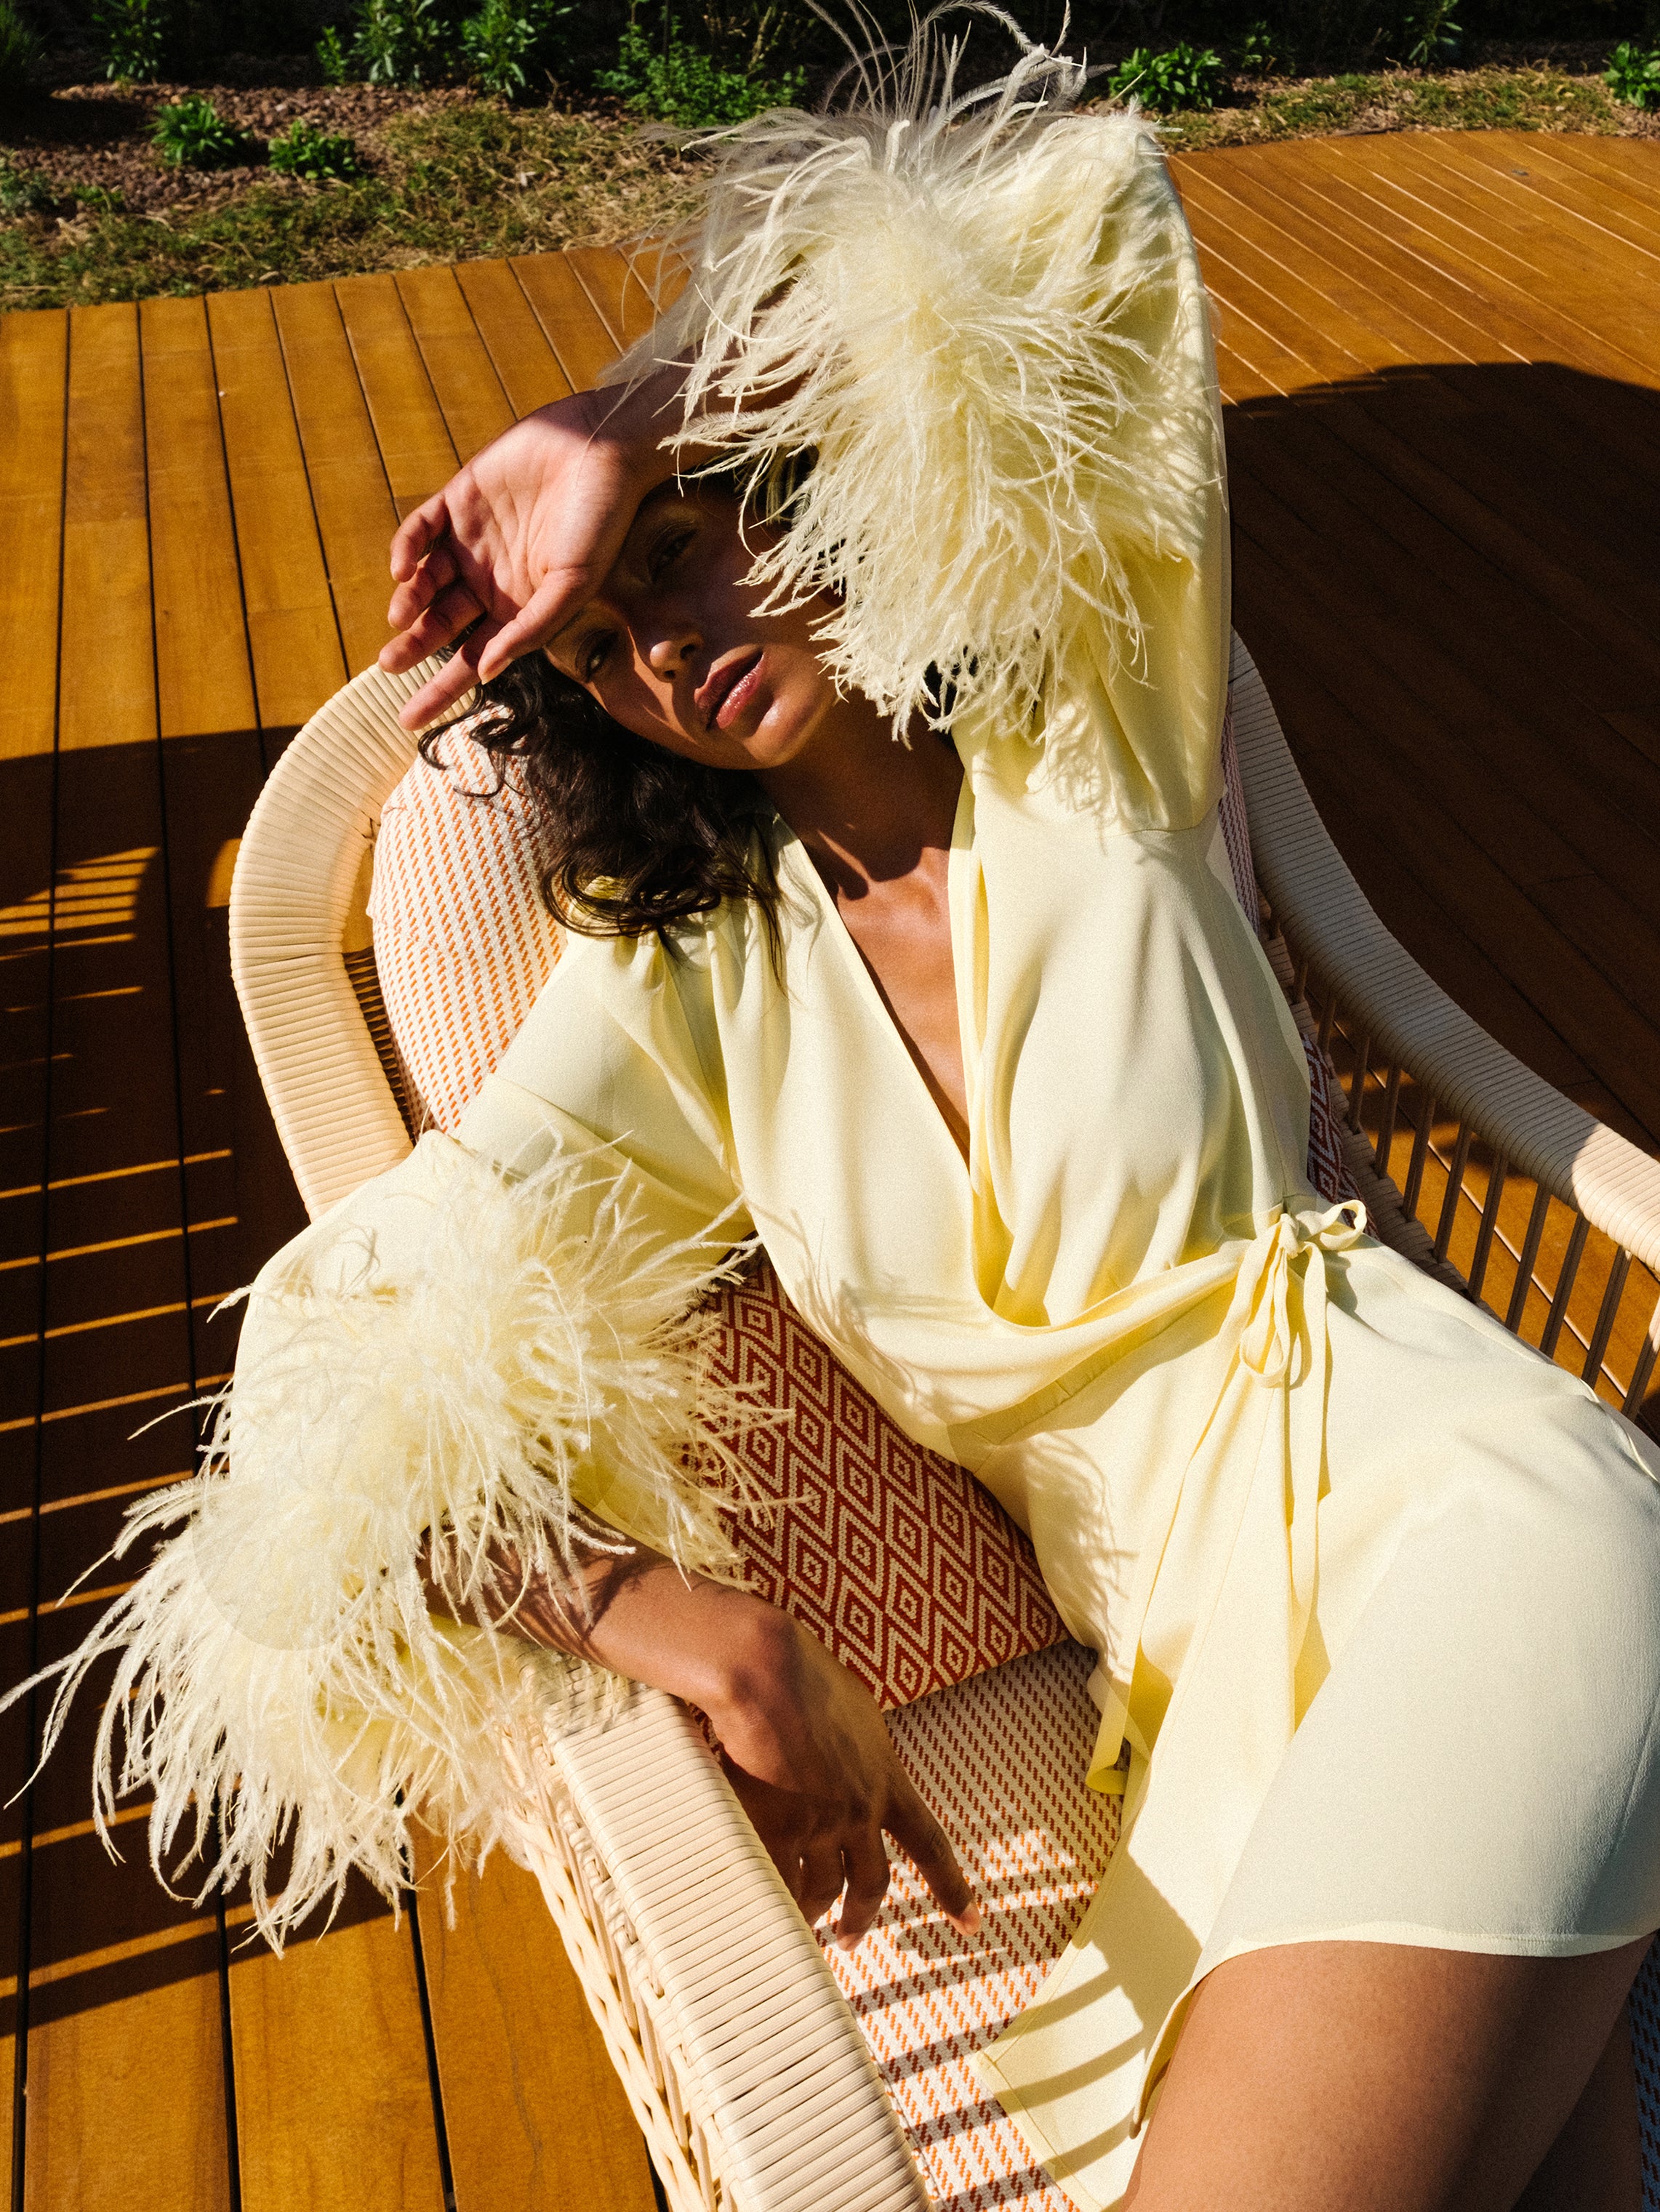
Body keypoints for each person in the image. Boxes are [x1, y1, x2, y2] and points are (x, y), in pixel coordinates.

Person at [31, 22, 1660, 2211]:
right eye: (599, 643)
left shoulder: (1086, 711)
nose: (659, 646)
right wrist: (683, 1622)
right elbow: (325, 1368)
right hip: (1210, 1676)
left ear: (801, 481)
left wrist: (614, 429)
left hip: (1474, 1504)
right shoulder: (687, 992)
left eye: (684, 548)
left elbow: (1086, 190)